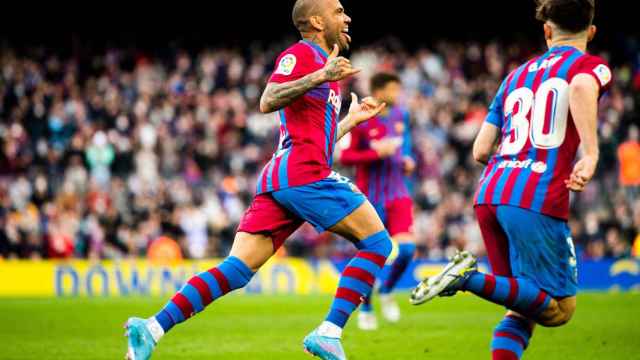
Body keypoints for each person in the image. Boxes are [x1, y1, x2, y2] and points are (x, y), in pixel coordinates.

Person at [123, 1, 391, 359]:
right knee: (377, 243)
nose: (347, 17)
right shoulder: (302, 55)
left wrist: (350, 121)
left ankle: (151, 328)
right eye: (338, 10)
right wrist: (320, 76)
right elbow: (268, 100)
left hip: (285, 179)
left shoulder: (326, 73)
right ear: (316, 20)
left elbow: (316, 141)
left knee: (236, 270)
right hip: (305, 175)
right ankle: (329, 331)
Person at [410, 1, 612, 359]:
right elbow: (581, 87)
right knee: (559, 311)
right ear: (591, 32)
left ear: (547, 30)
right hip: (536, 197)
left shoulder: (515, 75)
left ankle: (469, 282)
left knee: (522, 305)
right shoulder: (589, 65)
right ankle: (466, 278)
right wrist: (591, 154)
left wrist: (513, 164)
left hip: (490, 194)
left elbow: (480, 148)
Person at [339, 72, 416, 330]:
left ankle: (387, 290)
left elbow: (405, 146)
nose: (397, 95)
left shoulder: (401, 115)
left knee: (406, 250)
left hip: (398, 193)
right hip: (369, 197)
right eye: (393, 90)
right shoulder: (361, 118)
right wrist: (375, 153)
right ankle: (367, 306)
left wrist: (407, 160)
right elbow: (345, 157)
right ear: (379, 90)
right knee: (371, 254)